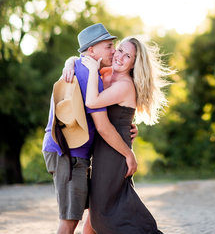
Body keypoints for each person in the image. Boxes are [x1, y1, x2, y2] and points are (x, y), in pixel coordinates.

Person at [42, 23, 138, 234]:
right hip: (69, 153)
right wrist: (128, 154)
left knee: (89, 214)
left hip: (71, 152)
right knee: (69, 221)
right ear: (92, 50)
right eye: (109, 46)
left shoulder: (79, 66)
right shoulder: (89, 75)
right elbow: (102, 126)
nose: (114, 51)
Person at [76, 35, 170, 234]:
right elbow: (78, 62)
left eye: (128, 56)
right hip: (103, 148)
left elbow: (92, 102)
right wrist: (69, 65)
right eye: (119, 50)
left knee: (106, 214)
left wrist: (129, 154)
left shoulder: (125, 85)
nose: (119, 56)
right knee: (96, 215)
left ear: (134, 63)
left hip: (115, 152)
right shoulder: (107, 73)